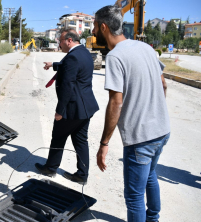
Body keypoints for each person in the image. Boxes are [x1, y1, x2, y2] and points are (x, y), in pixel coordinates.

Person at [94, 6, 170, 222]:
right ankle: (153, 218)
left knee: (134, 196)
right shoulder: (145, 47)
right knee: (150, 176)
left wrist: (104, 143)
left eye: (94, 27)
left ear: (104, 27)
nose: (93, 32)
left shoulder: (115, 57)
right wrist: (154, 111)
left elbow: (115, 103)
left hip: (141, 140)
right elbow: (163, 84)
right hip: (162, 131)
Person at [35, 28, 99, 185]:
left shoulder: (72, 57)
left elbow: (67, 86)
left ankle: (50, 168)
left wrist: (60, 110)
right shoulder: (83, 52)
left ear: (69, 41)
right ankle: (82, 175)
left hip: (73, 108)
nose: (59, 43)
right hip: (86, 108)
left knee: (58, 136)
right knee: (80, 140)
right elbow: (71, 66)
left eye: (61, 41)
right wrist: (53, 64)